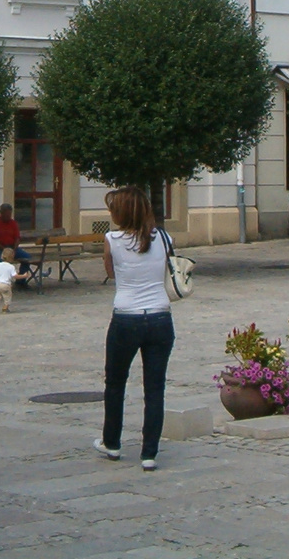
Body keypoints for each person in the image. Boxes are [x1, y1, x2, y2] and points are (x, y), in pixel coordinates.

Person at [95, 186, 174, 473]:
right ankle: (149, 453)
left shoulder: (112, 240)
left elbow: (111, 273)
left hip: (126, 316)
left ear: (121, 213)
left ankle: (112, 443)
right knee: (155, 388)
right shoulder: (164, 237)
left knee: (115, 383)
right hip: (159, 317)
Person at [0, 203, 33, 274]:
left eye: (10, 214)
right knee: (1, 261)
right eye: (7, 214)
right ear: (1, 213)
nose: (9, 216)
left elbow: (17, 238)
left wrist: (14, 249)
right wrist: (4, 249)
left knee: (27, 257)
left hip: (12, 247)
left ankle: (21, 280)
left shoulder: (13, 223)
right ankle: (2, 280)